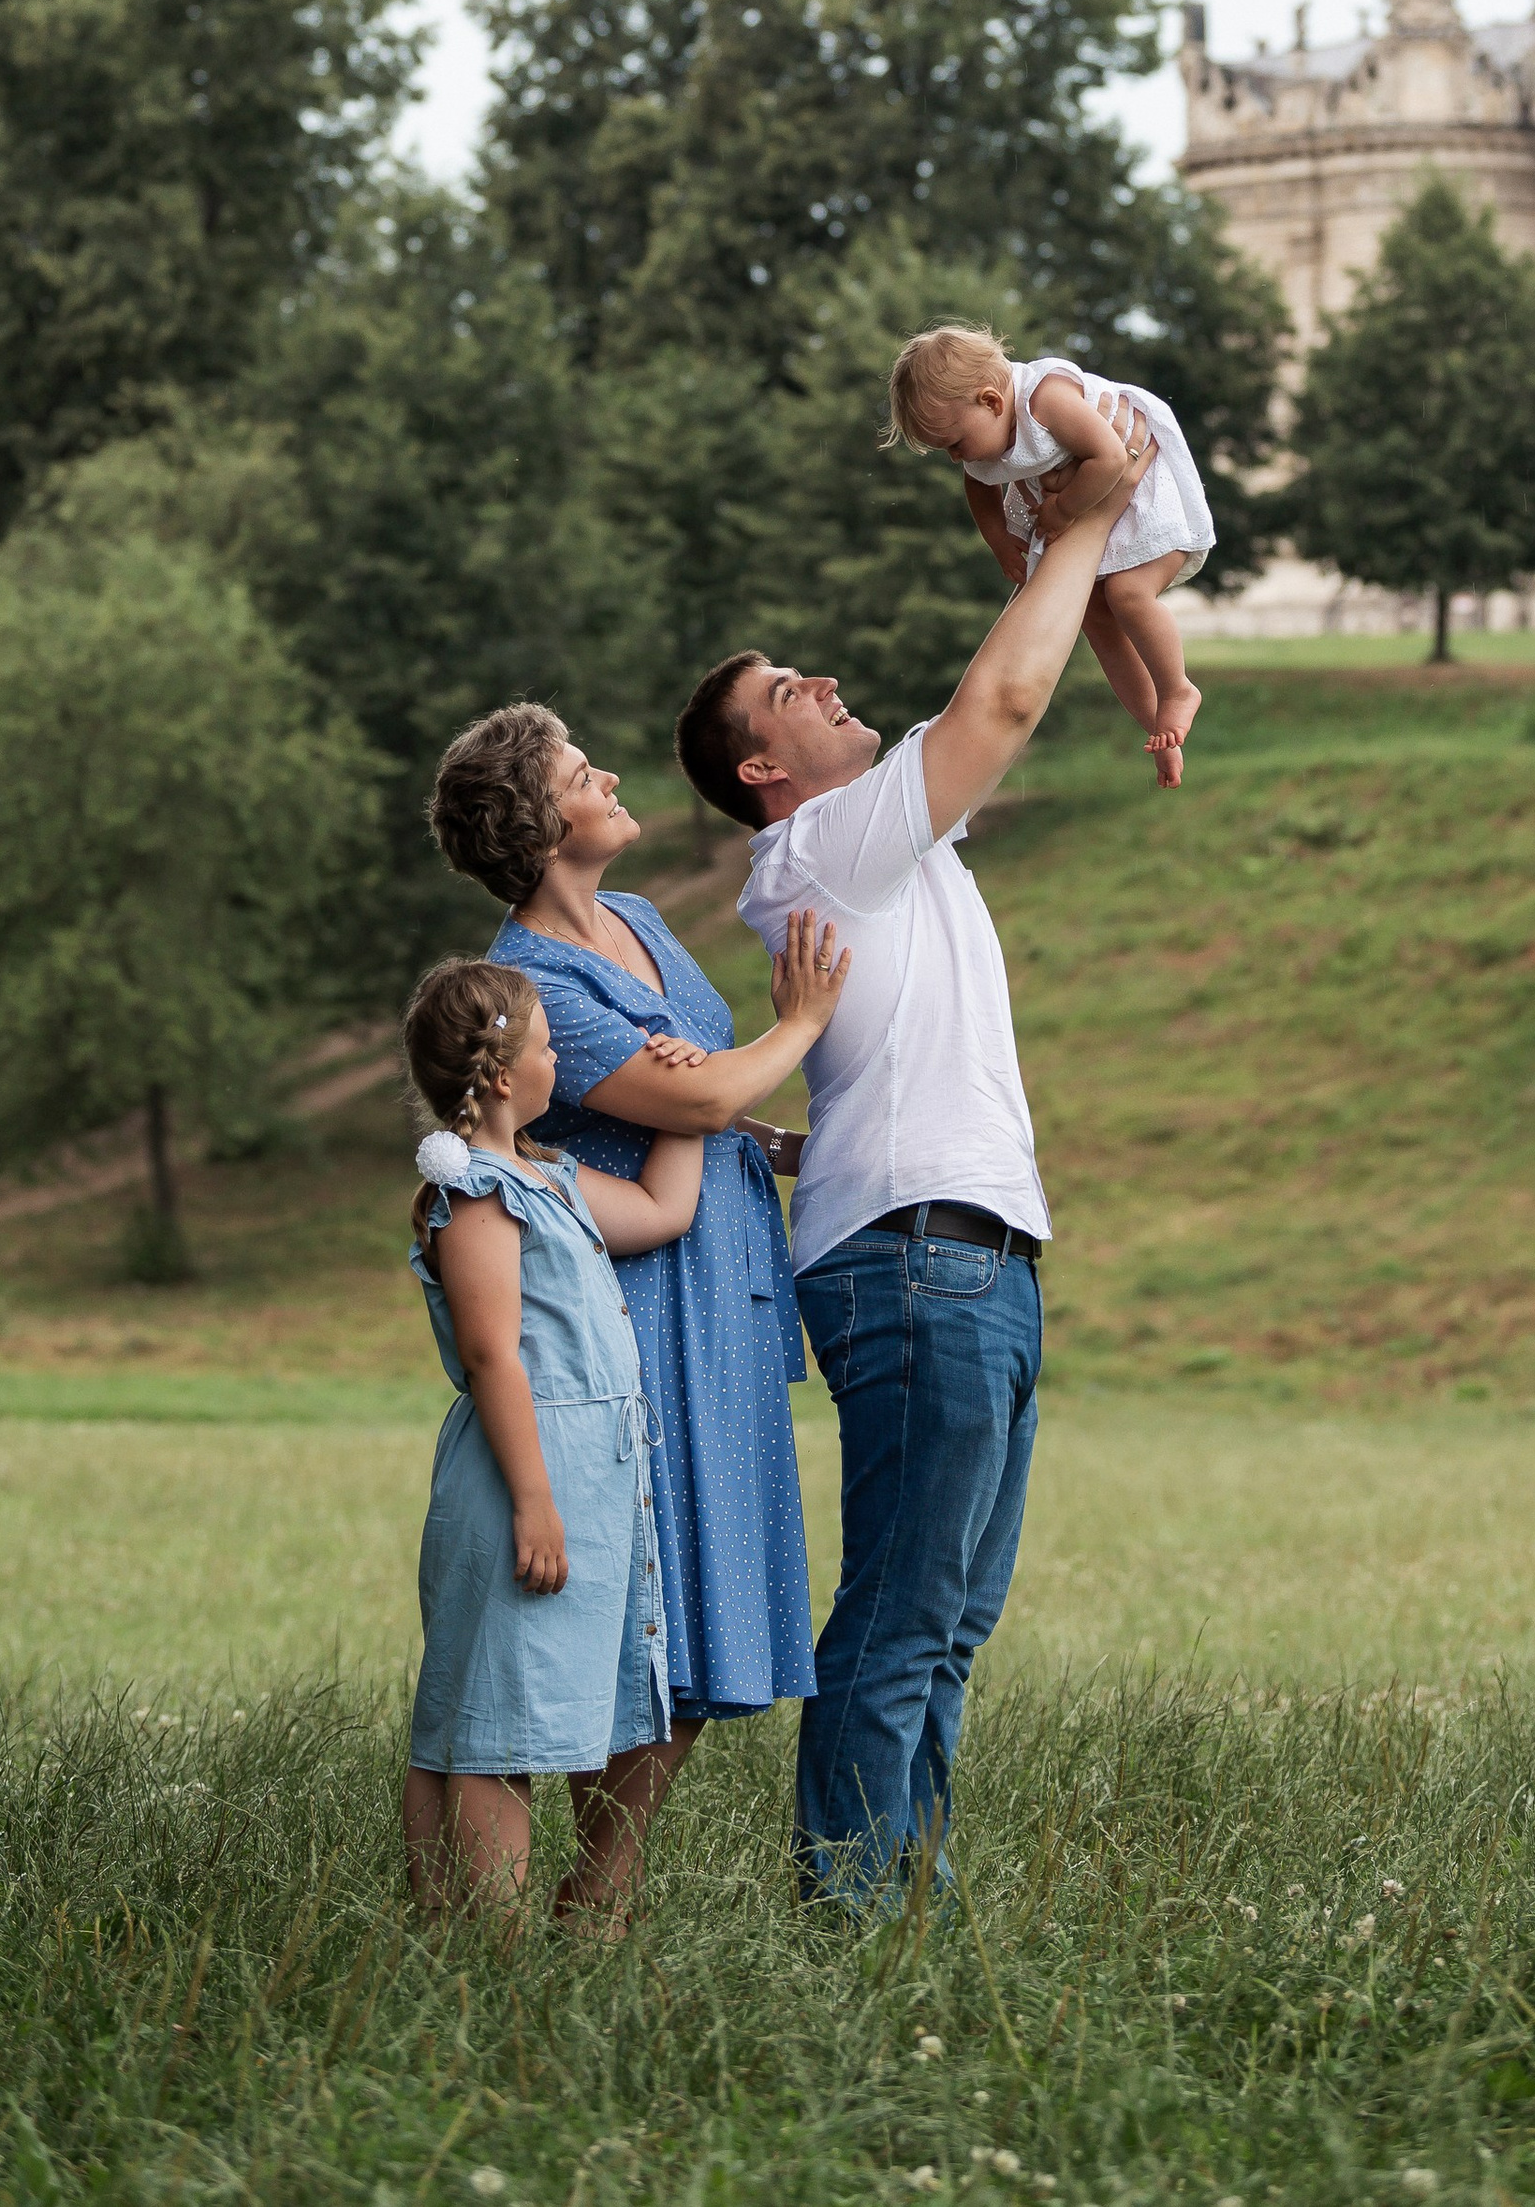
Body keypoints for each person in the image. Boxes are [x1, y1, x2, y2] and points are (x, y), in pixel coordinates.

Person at [673, 393, 1153, 1912]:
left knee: (943, 1620)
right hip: (919, 1266)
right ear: (766, 771)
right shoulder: (819, 846)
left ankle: (900, 1910)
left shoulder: (896, 843)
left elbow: (1016, 667)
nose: (821, 679)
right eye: (785, 692)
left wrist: (1037, 523)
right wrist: (1080, 519)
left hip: (972, 1255)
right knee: (897, 1618)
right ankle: (850, 1923)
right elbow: (999, 707)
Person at [429, 703, 852, 1830]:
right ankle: (600, 1882)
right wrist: (801, 1023)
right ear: (536, 820)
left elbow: (713, 1107)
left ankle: (606, 1881)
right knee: (652, 1598)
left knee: (710, 1592)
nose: (608, 775)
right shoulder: (531, 979)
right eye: (580, 771)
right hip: (644, 1305)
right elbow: (698, 1089)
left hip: (722, 1289)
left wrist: (779, 1146)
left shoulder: (641, 917)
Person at [399, 957, 701, 1920]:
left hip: (586, 1478)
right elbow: (494, 1355)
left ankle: (469, 1938)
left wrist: (684, 1097)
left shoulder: (550, 1178)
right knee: (496, 1719)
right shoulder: (482, 1193)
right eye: (545, 1045)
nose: (559, 1058)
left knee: (526, 1703)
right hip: (530, 1477)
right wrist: (536, 1499)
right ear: (498, 1074)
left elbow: (662, 1211)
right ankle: (489, 1953)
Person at [886, 324, 1215, 782]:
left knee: (1126, 592)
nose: (956, 458)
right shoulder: (982, 441)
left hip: (1149, 491)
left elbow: (1112, 459)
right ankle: (1157, 725)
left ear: (992, 402)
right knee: (1093, 615)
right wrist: (1001, 542)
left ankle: (1177, 688)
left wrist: (1061, 509)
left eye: (955, 443)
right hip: (1096, 496)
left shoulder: (1046, 400)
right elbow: (979, 490)